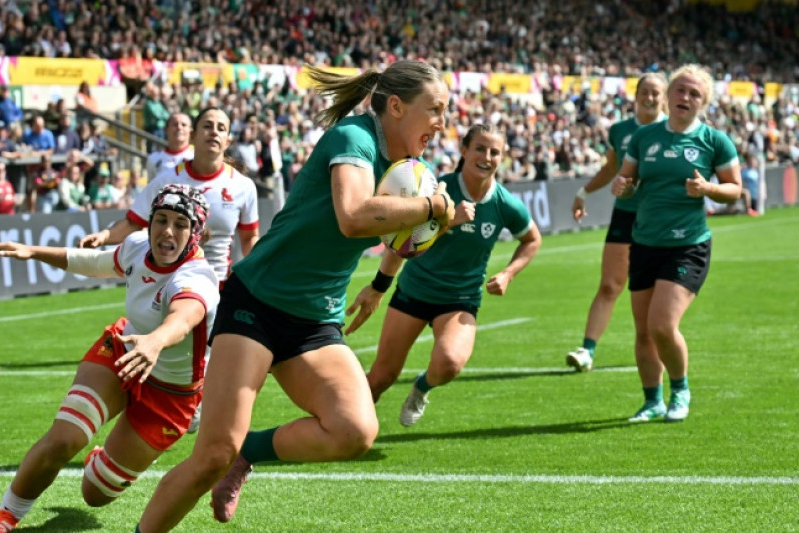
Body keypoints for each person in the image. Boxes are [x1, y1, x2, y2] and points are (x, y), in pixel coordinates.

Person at [135, 59, 455, 532]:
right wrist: (430, 206)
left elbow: (399, 238)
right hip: (257, 304)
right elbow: (352, 215)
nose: (442, 123)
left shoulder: (408, 169)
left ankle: (249, 454)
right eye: (435, 110)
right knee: (210, 456)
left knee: (355, 431)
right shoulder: (354, 138)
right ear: (395, 106)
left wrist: (385, 279)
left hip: (315, 320)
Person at [0, 184, 219, 533]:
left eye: (180, 224)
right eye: (161, 220)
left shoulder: (197, 276)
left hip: (173, 394)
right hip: (123, 352)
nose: (167, 231)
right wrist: (32, 251)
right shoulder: (137, 247)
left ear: (195, 233)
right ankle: (6, 515)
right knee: (64, 438)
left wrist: (155, 342)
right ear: (149, 223)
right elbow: (94, 262)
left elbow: (183, 317)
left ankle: (102, 461)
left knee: (95, 494)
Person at [81, 107, 261, 433]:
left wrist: (256, 281)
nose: (214, 132)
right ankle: (145, 417)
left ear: (229, 138)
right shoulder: (168, 179)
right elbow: (135, 222)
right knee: (174, 367)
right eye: (207, 125)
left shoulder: (242, 187)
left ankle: (172, 422)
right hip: (171, 286)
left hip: (219, 290)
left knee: (215, 377)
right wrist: (105, 236)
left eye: (221, 127)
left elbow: (249, 237)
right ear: (193, 135)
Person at [347, 124, 541, 426]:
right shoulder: (435, 190)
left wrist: (508, 274)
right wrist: (447, 221)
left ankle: (421, 388)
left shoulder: (504, 203)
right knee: (382, 376)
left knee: (449, 363)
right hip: (414, 292)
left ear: (502, 158)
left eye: (494, 152)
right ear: (464, 150)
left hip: (460, 299)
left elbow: (532, 239)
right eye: (479, 148)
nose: (486, 157)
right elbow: (405, 245)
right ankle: (345, 424)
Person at [611, 64, 742, 423]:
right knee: (643, 332)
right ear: (668, 94)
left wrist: (709, 189)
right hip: (644, 242)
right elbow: (628, 178)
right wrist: (622, 186)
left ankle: (680, 389)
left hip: (688, 245)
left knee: (662, 326)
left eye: (694, 93)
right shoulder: (644, 137)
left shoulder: (714, 141)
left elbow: (735, 189)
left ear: (704, 103)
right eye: (680, 90)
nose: (685, 97)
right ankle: (652, 401)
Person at [566, 73, 669, 372]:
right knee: (610, 285)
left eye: (655, 93)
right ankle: (586, 351)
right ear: (635, 95)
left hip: (659, 217)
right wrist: (583, 192)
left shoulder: (672, 129)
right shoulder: (620, 130)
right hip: (625, 214)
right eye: (645, 92)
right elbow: (611, 167)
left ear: (663, 98)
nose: (649, 98)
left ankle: (662, 344)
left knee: (656, 289)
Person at [145, 113, 193, 182]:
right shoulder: (153, 158)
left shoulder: (197, 156)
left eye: (184, 125)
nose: (179, 128)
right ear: (166, 130)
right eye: (175, 124)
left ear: (191, 131)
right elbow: (151, 190)